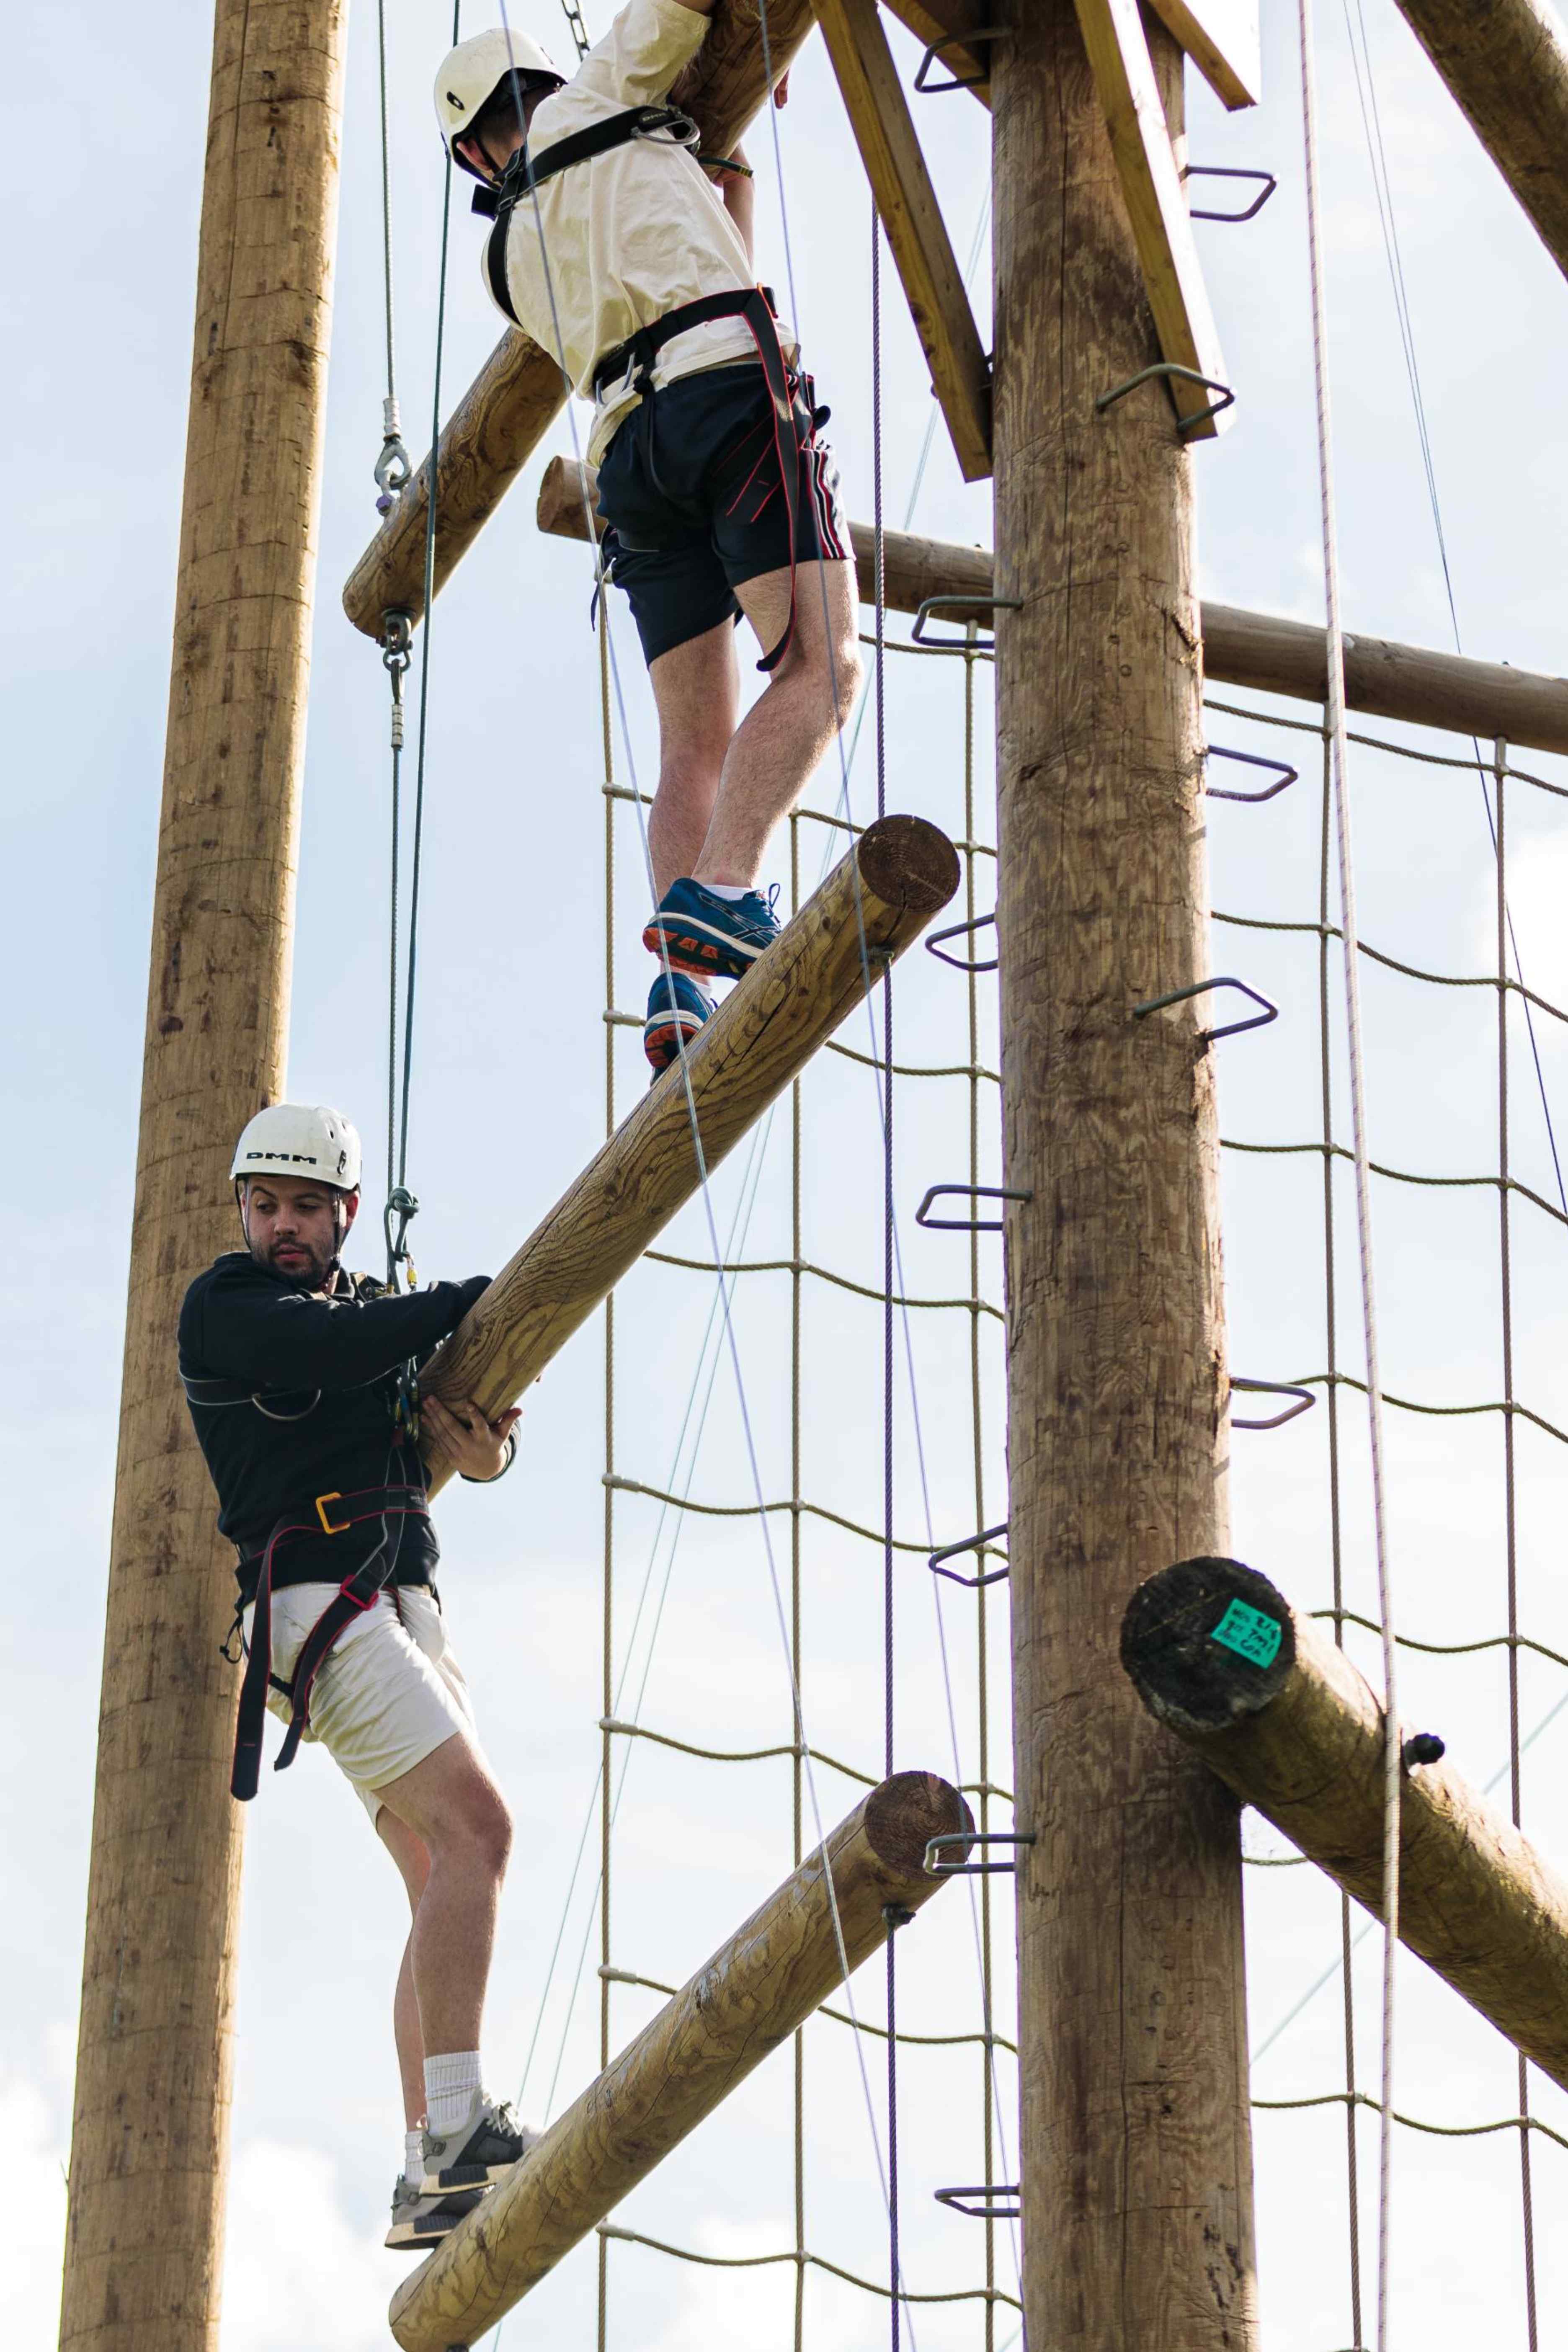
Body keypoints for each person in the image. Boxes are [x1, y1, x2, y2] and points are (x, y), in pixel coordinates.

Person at [433, 4, 865, 1078]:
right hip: (727, 390)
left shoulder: (505, 260)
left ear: (473, 154)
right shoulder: (602, 98)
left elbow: (695, 241)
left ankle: (680, 982)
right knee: (822, 663)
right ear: (544, 83)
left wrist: (721, 163)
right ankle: (722, 896)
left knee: (693, 743)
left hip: (632, 459)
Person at [178, 1103, 532, 2253]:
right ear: (245, 1212)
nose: (282, 1227)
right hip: (318, 1606)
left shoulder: (370, 1317)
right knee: (479, 1830)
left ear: (342, 1214)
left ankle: (431, 2165)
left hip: (396, 1602)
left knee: (440, 1870)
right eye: (265, 1205)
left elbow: (445, 1423)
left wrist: (484, 1449)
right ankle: (459, 2133)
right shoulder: (230, 1310)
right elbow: (321, 1353)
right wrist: (476, 1295)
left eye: (304, 1209)